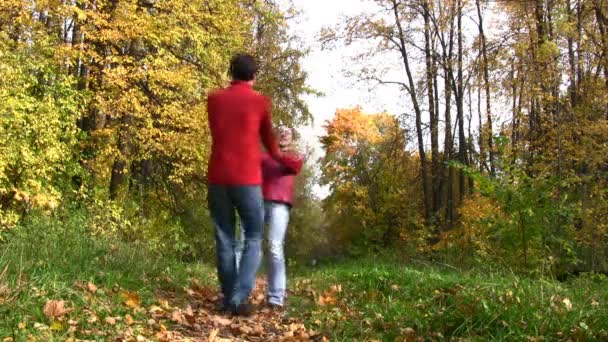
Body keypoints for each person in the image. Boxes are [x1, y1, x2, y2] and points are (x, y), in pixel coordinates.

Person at [206, 54, 300, 315]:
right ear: (254, 75)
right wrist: (284, 161)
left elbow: (220, 132)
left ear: (231, 72)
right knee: (254, 237)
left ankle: (228, 299)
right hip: (246, 179)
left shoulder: (214, 99)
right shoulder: (260, 102)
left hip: (217, 177)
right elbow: (270, 143)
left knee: (224, 239)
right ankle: (239, 297)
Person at [236, 126, 304, 309]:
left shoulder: (294, 156)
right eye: (279, 131)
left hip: (280, 205)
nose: (283, 134)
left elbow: (294, 166)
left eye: (287, 132)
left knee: (274, 247)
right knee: (246, 245)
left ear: (291, 139)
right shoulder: (262, 156)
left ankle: (275, 298)